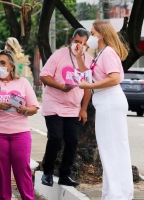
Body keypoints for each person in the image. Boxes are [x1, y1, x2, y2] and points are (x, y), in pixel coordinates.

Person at [75, 20, 134, 200]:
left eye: (92, 33)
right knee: (109, 149)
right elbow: (91, 75)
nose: (89, 37)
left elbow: (114, 79)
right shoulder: (101, 53)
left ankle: (118, 195)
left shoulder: (108, 53)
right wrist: (79, 57)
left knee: (113, 149)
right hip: (105, 102)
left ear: (101, 34)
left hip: (110, 102)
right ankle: (112, 193)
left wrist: (89, 85)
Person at [0, 49, 39, 200]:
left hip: (20, 133)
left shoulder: (23, 83)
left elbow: (34, 108)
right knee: (1, 174)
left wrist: (25, 109)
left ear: (11, 66)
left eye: (3, 63)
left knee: (22, 171)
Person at [39, 28, 92, 187]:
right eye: (76, 41)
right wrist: (60, 86)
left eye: (82, 43)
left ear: (86, 46)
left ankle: (64, 175)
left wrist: (83, 109)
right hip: (53, 104)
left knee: (72, 140)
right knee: (55, 137)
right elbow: (44, 76)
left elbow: (88, 87)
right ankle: (47, 172)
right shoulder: (59, 55)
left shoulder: (88, 60)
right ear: (71, 41)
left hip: (72, 108)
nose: (78, 45)